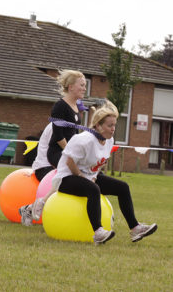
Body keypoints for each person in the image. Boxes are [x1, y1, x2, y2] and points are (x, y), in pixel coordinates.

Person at [52, 100, 157, 244]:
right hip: (66, 178)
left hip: (87, 176)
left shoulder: (109, 140)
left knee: (123, 187)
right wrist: (84, 177)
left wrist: (93, 176)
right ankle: (98, 233)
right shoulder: (83, 140)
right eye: (110, 125)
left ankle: (135, 228)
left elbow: (100, 163)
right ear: (98, 126)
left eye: (114, 125)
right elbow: (70, 162)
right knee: (93, 189)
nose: (113, 128)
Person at [19, 70, 87, 225]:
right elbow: (60, 141)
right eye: (81, 85)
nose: (84, 89)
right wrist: (74, 157)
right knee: (66, 183)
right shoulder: (57, 120)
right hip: (45, 167)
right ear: (70, 87)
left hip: (59, 163)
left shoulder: (75, 113)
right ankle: (32, 208)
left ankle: (31, 209)